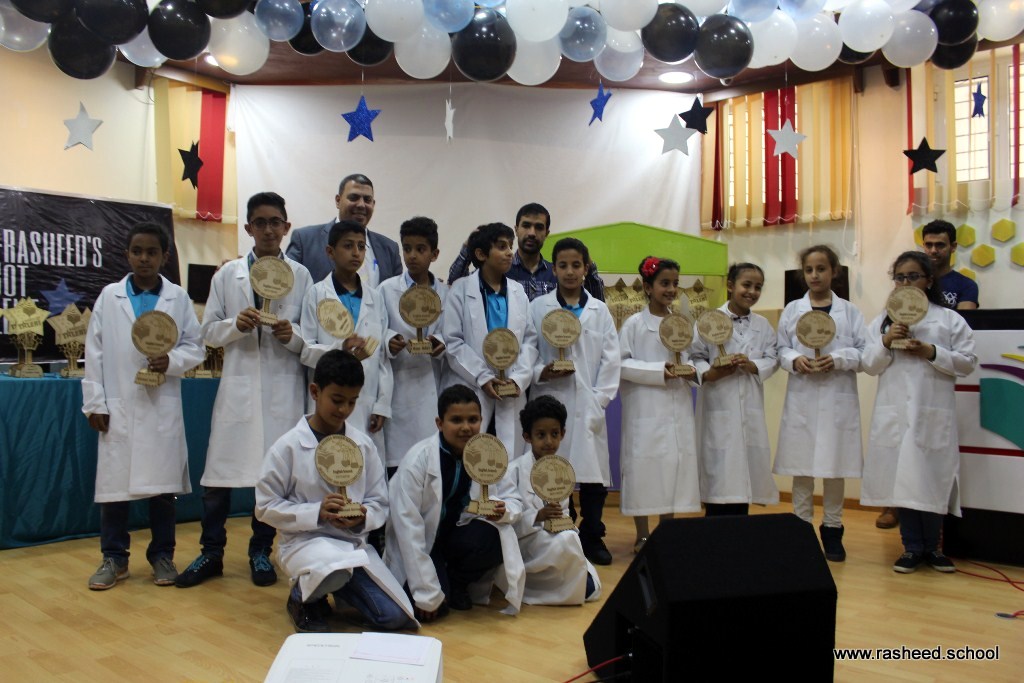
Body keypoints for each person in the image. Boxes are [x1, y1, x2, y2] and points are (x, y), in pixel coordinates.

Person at [176, 192, 313, 588]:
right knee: (218, 477)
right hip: (238, 388)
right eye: (261, 222)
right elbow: (208, 333)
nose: (269, 229)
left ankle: (260, 551)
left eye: (276, 222)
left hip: (283, 390)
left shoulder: (302, 277)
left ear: (286, 228)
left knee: (272, 478)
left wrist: (291, 335)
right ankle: (211, 552)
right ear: (249, 228)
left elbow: (311, 335)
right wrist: (235, 325)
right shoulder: (228, 275)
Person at [255, 350, 416, 633]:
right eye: (337, 400)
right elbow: (265, 507)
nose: (344, 410)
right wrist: (316, 512)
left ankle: (334, 588)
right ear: (315, 391)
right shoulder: (288, 447)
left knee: (394, 617)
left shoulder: (363, 445)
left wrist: (363, 517)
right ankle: (301, 597)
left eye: (352, 402)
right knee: (333, 571)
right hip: (305, 544)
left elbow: (379, 502)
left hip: (353, 546)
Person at [82, 222, 205, 590]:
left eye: (152, 252)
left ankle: (162, 555)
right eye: (137, 251)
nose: (144, 258)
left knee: (162, 491)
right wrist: (95, 403)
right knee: (115, 489)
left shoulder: (178, 298)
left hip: (159, 403)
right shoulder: (110, 297)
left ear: (165, 257)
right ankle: (114, 557)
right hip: (119, 403)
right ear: (127, 255)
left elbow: (195, 347)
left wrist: (172, 361)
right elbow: (94, 352)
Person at [861, 251, 977, 574]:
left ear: (928, 280)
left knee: (931, 478)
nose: (906, 283)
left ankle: (934, 548)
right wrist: (886, 341)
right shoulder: (883, 320)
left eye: (913, 276)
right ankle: (911, 548)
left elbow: (967, 362)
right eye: (900, 277)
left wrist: (931, 351)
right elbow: (868, 364)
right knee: (904, 481)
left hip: (933, 412)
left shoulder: (949, 319)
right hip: (895, 413)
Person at [385, 385, 525, 621]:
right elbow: (408, 529)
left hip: (456, 537)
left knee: (495, 537)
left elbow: (514, 500)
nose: (466, 427)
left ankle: (457, 582)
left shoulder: (490, 454)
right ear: (439, 423)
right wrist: (425, 593)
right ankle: (440, 585)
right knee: (432, 608)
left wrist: (504, 510)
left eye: (473, 420)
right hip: (423, 542)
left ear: (481, 420)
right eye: (456, 420)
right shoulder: (417, 461)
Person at [528, 238, 620, 565]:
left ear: (586, 268)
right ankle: (561, 530)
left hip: (589, 402)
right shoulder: (538, 307)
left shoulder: (599, 310)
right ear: (553, 269)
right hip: (550, 400)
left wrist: (599, 398)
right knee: (554, 471)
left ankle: (592, 535)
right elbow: (528, 350)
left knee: (593, 478)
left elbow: (611, 358)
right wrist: (542, 372)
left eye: (576, 265)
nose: (569, 272)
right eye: (563, 265)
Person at [773, 246, 867, 562]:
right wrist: (794, 359)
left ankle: (833, 530)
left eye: (821, 268)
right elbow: (780, 348)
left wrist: (838, 359)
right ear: (803, 273)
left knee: (834, 469)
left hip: (836, 397)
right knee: (801, 469)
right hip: (803, 396)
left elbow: (863, 353)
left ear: (834, 271)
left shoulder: (850, 312)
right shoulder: (792, 310)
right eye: (809, 269)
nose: (815, 275)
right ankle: (801, 530)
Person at [618, 256, 701, 553]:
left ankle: (667, 531)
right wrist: (658, 371)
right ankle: (642, 534)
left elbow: (693, 358)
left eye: (675, 283)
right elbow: (621, 364)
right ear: (647, 287)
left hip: (677, 406)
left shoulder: (682, 324)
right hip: (644, 408)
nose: (671, 289)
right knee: (643, 470)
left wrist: (691, 371)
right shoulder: (633, 325)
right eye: (664, 283)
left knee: (673, 468)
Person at [441, 223, 538, 456]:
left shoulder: (518, 292)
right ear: (481, 254)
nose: (509, 253)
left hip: (510, 391)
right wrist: (483, 377)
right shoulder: (460, 290)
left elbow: (529, 341)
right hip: (472, 387)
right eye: (501, 247)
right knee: (471, 457)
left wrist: (518, 379)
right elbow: (453, 341)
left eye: (510, 246)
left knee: (508, 459)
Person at [691, 263, 779, 516]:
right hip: (718, 403)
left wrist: (754, 366)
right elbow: (695, 355)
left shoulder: (763, 326)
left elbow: (773, 357)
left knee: (744, 479)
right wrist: (709, 373)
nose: (752, 291)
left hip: (749, 406)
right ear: (730, 285)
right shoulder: (708, 321)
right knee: (718, 477)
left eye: (758, 287)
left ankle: (740, 529)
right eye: (746, 285)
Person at [300, 219, 392, 461]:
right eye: (348, 246)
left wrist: (382, 404)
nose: (356, 253)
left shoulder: (375, 298)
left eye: (361, 246)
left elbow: (382, 356)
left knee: (365, 464)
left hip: (367, 399)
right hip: (329, 399)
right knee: (328, 462)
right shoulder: (316, 294)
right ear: (330, 251)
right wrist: (339, 348)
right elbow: (306, 350)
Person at [508, 395, 601, 605]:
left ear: (563, 434)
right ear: (527, 436)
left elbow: (564, 514)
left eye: (554, 434)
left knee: (570, 538)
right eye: (541, 435)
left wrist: (562, 523)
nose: (549, 442)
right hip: (527, 540)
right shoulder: (514, 471)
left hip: (556, 538)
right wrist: (537, 516)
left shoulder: (562, 470)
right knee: (566, 541)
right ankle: (557, 587)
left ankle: (573, 583)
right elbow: (508, 522)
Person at [378, 216, 449, 477]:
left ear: (434, 254)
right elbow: (377, 328)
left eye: (421, 249)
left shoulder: (446, 294)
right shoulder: (386, 290)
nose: (412, 256)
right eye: (407, 248)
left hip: (433, 383)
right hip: (400, 385)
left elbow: (452, 333)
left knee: (431, 466)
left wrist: (440, 342)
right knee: (400, 466)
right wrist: (389, 340)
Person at [447, 203, 605, 301]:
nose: (532, 233)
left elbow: (596, 303)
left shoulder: (556, 273)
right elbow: (455, 286)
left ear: (547, 233)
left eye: (539, 227)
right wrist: (468, 248)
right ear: (516, 229)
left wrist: (588, 265)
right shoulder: (498, 270)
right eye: (526, 225)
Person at [286, 174, 401, 285]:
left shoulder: (390, 249)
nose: (361, 205)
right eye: (354, 198)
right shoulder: (305, 240)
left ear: (373, 204)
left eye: (367, 200)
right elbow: (286, 286)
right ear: (338, 200)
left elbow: (397, 294)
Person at [921, 219, 979, 311]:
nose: (933, 250)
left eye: (940, 245)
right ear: (923, 245)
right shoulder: (914, 281)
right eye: (928, 245)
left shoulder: (966, 285)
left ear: (953, 246)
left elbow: (964, 319)